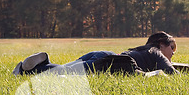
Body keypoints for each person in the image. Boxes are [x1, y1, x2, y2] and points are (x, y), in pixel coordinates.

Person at [12, 32, 178, 76]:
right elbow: (171, 72)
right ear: (161, 44)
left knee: (65, 70)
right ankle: (27, 71)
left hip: (102, 55)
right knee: (65, 74)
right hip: (106, 63)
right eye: (172, 48)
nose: (172, 53)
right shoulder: (156, 52)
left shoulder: (142, 50)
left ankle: (43, 62)